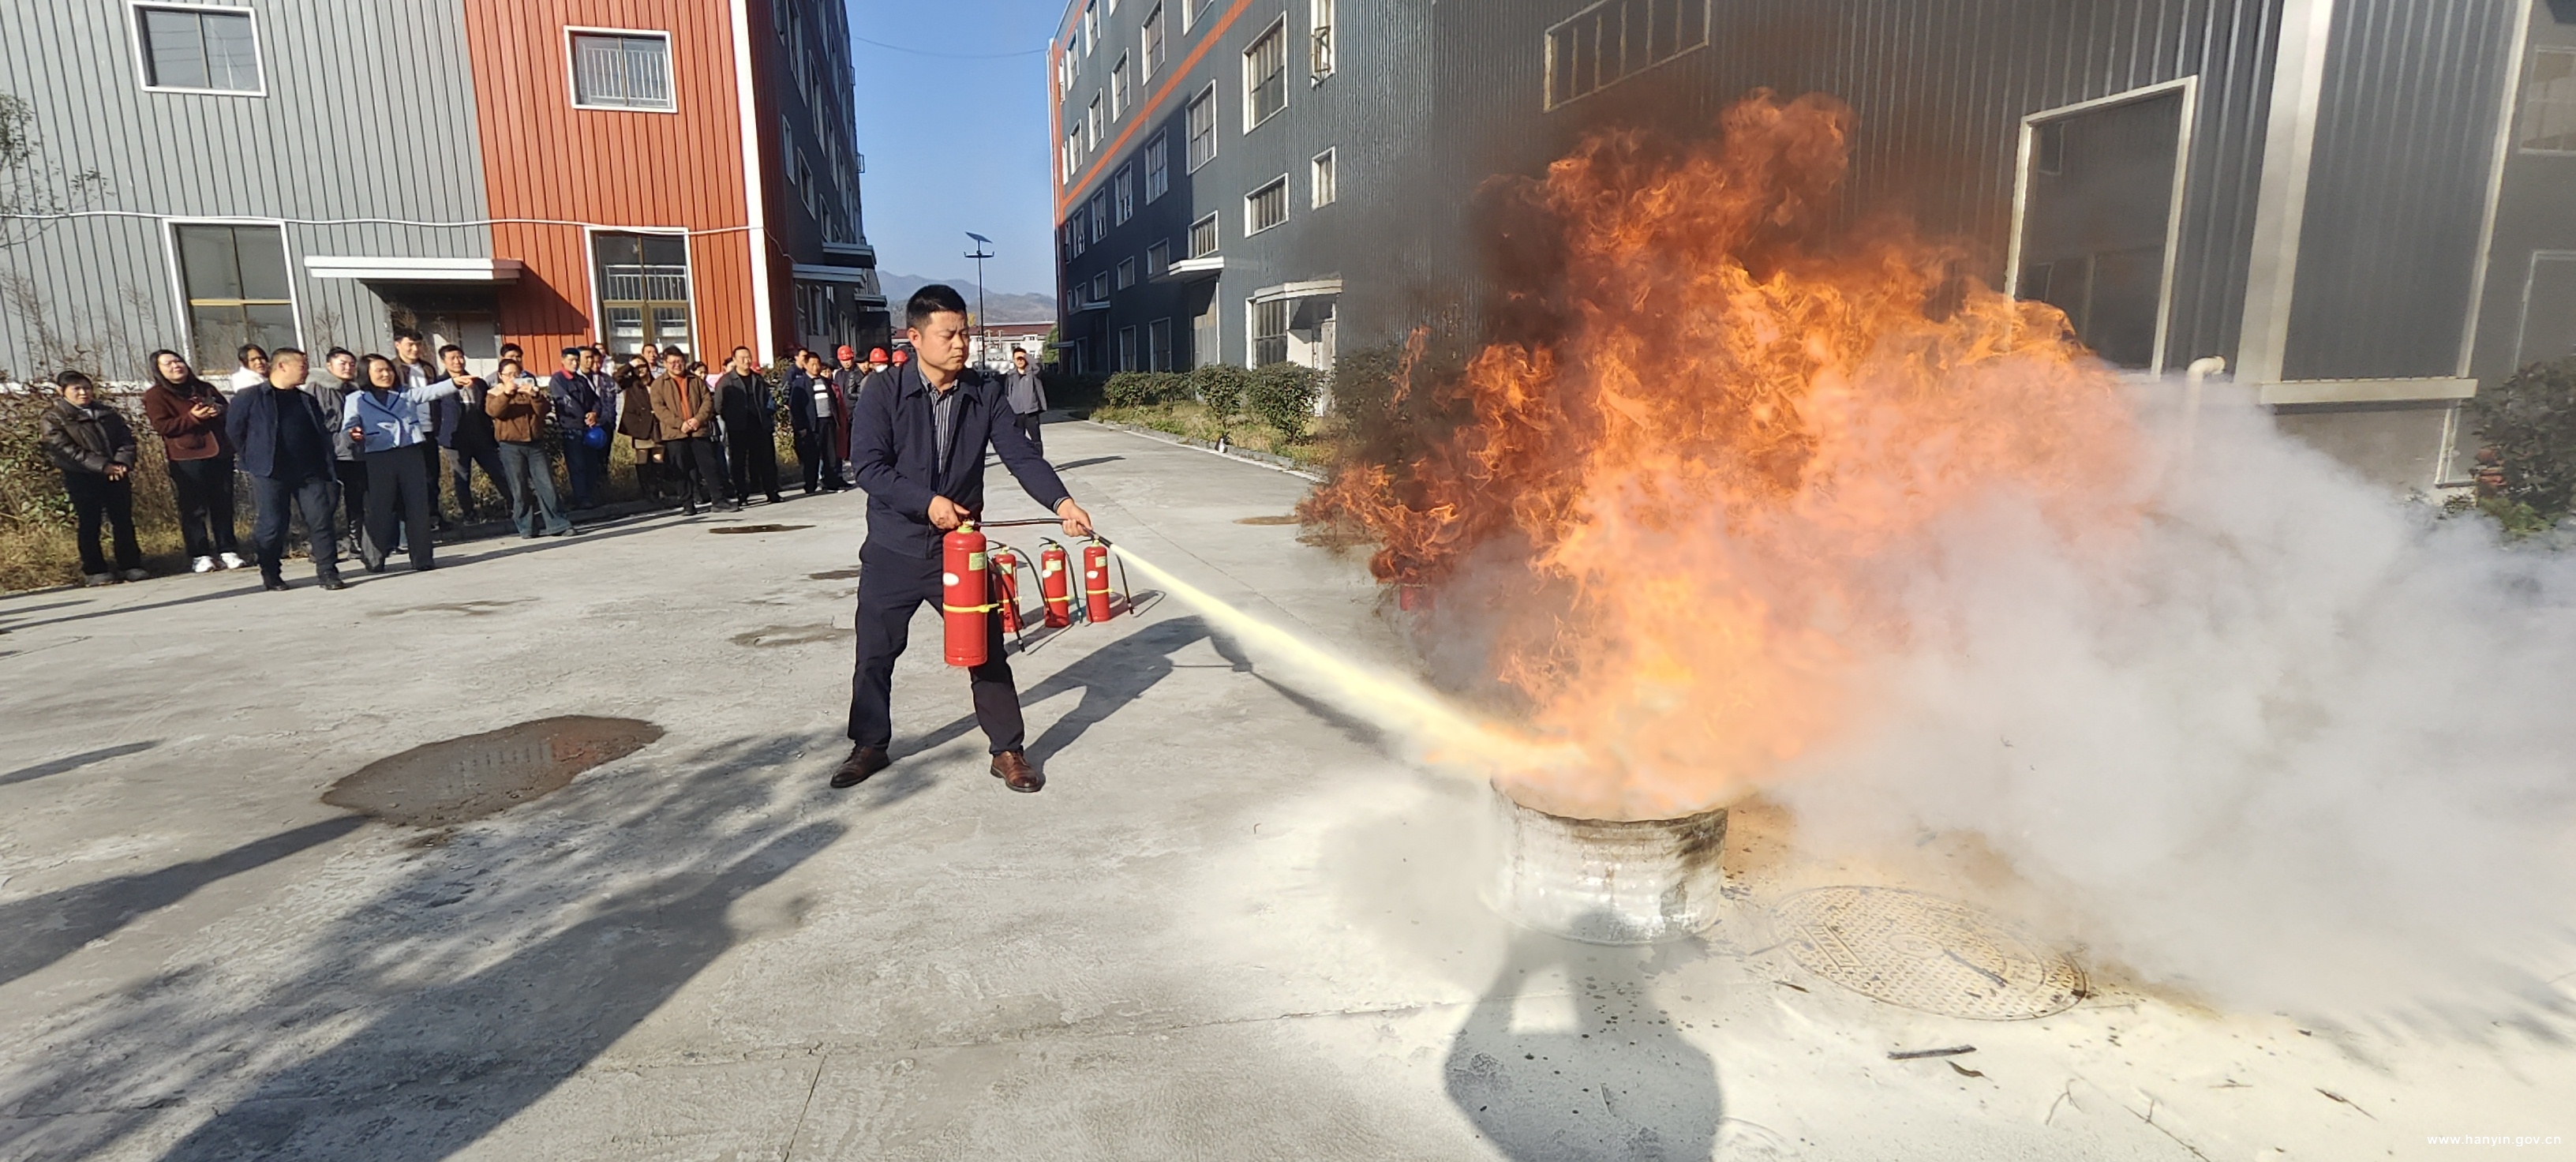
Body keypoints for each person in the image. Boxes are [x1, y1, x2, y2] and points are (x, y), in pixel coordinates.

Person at [836, 284, 1095, 794]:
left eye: (965, 334)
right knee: (875, 653)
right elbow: (868, 466)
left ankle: (1007, 750)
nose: (960, 344)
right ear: (914, 338)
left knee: (985, 650)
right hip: (892, 548)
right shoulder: (883, 392)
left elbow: (1020, 456)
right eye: (948, 335)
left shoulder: (984, 394)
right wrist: (926, 502)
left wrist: (1062, 503)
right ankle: (869, 745)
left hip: (957, 552)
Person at [224, 347, 346, 591]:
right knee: (273, 525)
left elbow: (319, 432)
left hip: (310, 472)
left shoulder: (306, 399)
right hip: (270, 472)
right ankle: (271, 573)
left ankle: (328, 572)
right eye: (302, 366)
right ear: (282, 366)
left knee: (321, 521)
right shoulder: (251, 397)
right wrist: (252, 458)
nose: (306, 371)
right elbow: (234, 432)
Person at [344, 353, 460, 572]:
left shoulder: (405, 393)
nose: (386, 374)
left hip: (410, 453)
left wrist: (454, 383)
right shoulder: (356, 399)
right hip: (378, 455)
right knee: (380, 509)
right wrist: (354, 433)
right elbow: (348, 426)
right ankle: (373, 558)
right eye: (380, 370)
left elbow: (431, 392)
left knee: (418, 507)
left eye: (389, 370)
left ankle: (422, 558)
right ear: (366, 373)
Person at [36, 371, 147, 586]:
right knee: (90, 522)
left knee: (123, 520)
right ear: (61, 391)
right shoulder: (54, 418)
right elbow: (66, 450)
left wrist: (122, 463)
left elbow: (126, 440)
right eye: (76, 389)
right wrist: (103, 466)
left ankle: (130, 565)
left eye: (86, 387)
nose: (83, 393)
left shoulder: (107, 413)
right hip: (82, 476)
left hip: (116, 474)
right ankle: (95, 569)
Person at [140, 349, 245, 572]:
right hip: (187, 457)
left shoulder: (204, 388)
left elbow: (228, 410)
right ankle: (200, 554)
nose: (176, 366)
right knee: (194, 508)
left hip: (219, 454)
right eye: (168, 364)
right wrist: (192, 418)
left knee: (223, 504)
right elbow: (162, 426)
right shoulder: (156, 395)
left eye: (178, 361)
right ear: (158, 370)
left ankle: (227, 549)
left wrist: (218, 410)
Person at [486, 357, 575, 538]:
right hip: (510, 445)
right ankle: (526, 527)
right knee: (519, 488)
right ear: (500, 376)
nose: (513, 377)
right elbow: (494, 412)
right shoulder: (495, 393)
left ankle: (557, 524)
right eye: (509, 374)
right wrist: (507, 394)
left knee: (546, 485)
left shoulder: (529, 389)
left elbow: (544, 410)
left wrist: (535, 396)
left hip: (535, 443)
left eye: (517, 374)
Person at [648, 347, 734, 515]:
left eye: (680, 361)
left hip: (698, 430)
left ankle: (719, 500)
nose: (676, 365)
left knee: (710, 465)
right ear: (665, 364)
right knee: (681, 469)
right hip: (675, 433)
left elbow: (707, 401)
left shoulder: (695, 380)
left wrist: (698, 420)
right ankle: (688, 504)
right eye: (672, 362)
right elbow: (659, 409)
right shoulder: (659, 384)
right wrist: (680, 424)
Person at [430, 344, 506, 523]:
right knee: (462, 477)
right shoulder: (439, 385)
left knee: (499, 472)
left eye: (460, 357)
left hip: (481, 436)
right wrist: (440, 434)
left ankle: (515, 506)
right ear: (443, 361)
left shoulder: (478, 382)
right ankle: (468, 514)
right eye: (452, 358)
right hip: (455, 438)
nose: (458, 361)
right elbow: (434, 412)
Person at [311, 348, 372, 562]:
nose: (348, 368)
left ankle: (357, 543)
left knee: (357, 500)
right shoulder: (317, 388)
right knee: (327, 503)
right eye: (342, 364)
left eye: (351, 364)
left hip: (355, 452)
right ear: (329, 366)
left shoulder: (356, 390)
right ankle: (321, 549)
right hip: (328, 453)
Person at [391, 328, 451, 532]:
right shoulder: (392, 369)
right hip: (407, 432)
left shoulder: (427, 368)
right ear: (398, 345)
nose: (415, 349)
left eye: (418, 345)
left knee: (432, 477)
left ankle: (434, 516)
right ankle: (411, 522)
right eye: (410, 345)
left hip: (429, 428)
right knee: (409, 480)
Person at [549, 345, 616, 509]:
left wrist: (594, 413)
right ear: (563, 361)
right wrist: (584, 416)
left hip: (588, 429)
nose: (575, 363)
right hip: (571, 429)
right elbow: (567, 403)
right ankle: (582, 498)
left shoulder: (581, 380)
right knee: (577, 465)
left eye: (577, 360)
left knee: (591, 463)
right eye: (571, 360)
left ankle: (593, 495)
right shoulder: (558, 380)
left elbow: (596, 400)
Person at [715, 346, 783, 504]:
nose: (746, 361)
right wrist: (731, 418)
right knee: (739, 461)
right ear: (734, 360)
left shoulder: (757, 379)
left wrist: (767, 414)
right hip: (738, 427)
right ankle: (742, 494)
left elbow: (767, 399)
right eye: (742, 358)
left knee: (766, 460)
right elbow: (718, 405)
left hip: (760, 425)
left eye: (748, 357)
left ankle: (771, 491)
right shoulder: (726, 381)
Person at [786, 348, 841, 494]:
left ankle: (831, 482)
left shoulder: (826, 381)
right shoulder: (800, 383)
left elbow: (833, 402)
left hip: (828, 421)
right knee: (811, 456)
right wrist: (801, 427)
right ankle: (810, 485)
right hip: (811, 425)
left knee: (830, 455)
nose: (816, 367)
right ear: (805, 365)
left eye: (818, 364)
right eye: (813, 364)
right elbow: (795, 407)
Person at [614, 358, 667, 504]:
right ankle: (646, 491)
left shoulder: (657, 382)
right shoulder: (631, 383)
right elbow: (617, 377)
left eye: (643, 366)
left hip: (657, 425)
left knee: (658, 457)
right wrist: (630, 365)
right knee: (642, 457)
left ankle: (659, 489)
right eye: (637, 368)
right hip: (640, 426)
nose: (640, 370)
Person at [1000, 347, 1048, 455]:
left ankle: (1038, 461)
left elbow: (1038, 365)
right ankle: (1021, 462)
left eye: (1022, 358)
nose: (1020, 360)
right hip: (1016, 412)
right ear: (1013, 360)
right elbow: (1008, 392)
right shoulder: (1011, 375)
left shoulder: (1033, 372)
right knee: (1018, 440)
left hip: (1031, 411)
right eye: (1017, 358)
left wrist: (1025, 355)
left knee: (1036, 439)